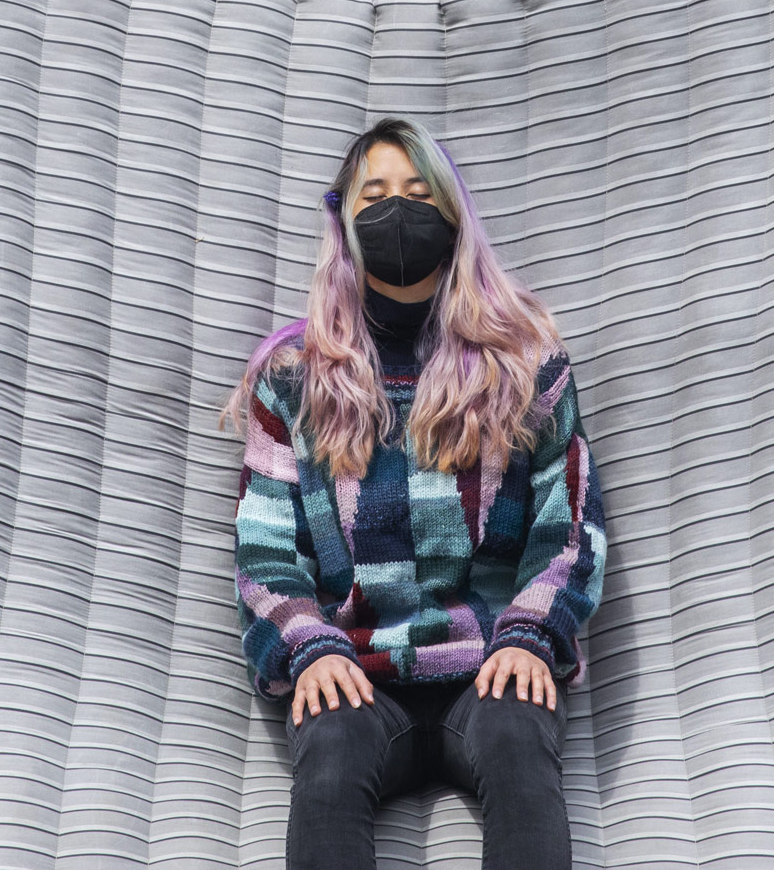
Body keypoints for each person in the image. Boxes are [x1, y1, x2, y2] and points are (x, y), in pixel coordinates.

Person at [226, 118, 608, 870]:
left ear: (453, 213)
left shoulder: (528, 368)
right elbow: (263, 550)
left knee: (519, 740)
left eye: (416, 192)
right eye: (375, 194)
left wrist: (533, 631)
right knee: (328, 755)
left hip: (490, 662)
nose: (397, 211)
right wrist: (307, 647)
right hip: (360, 671)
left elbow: (572, 527)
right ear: (344, 222)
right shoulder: (293, 379)